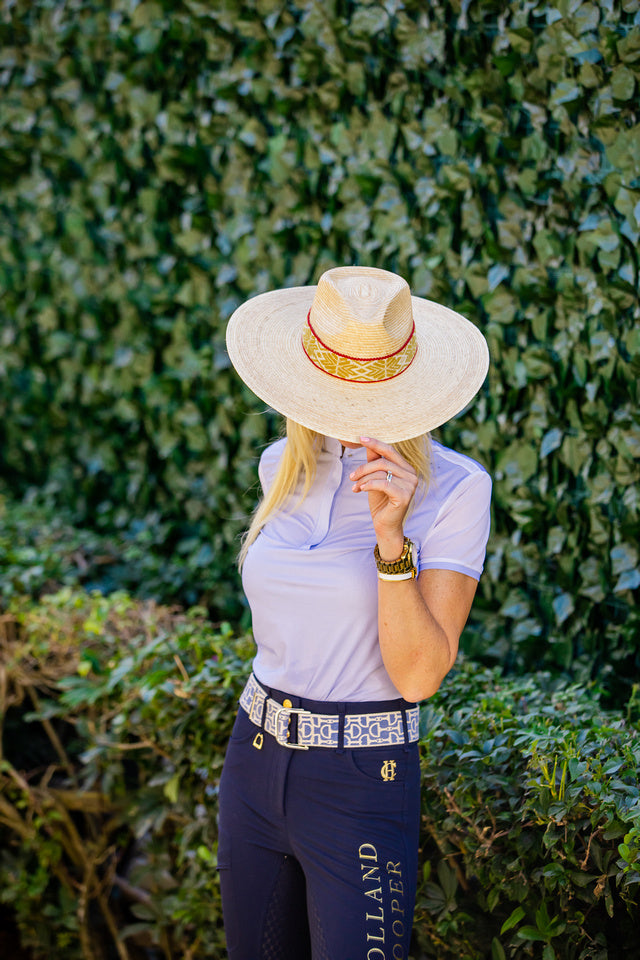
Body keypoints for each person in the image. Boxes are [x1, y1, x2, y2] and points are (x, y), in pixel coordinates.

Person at [219, 265, 491, 959]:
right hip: (253, 757)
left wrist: (391, 540)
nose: (348, 408)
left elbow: (420, 677)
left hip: (361, 776)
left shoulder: (456, 489)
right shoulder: (281, 465)